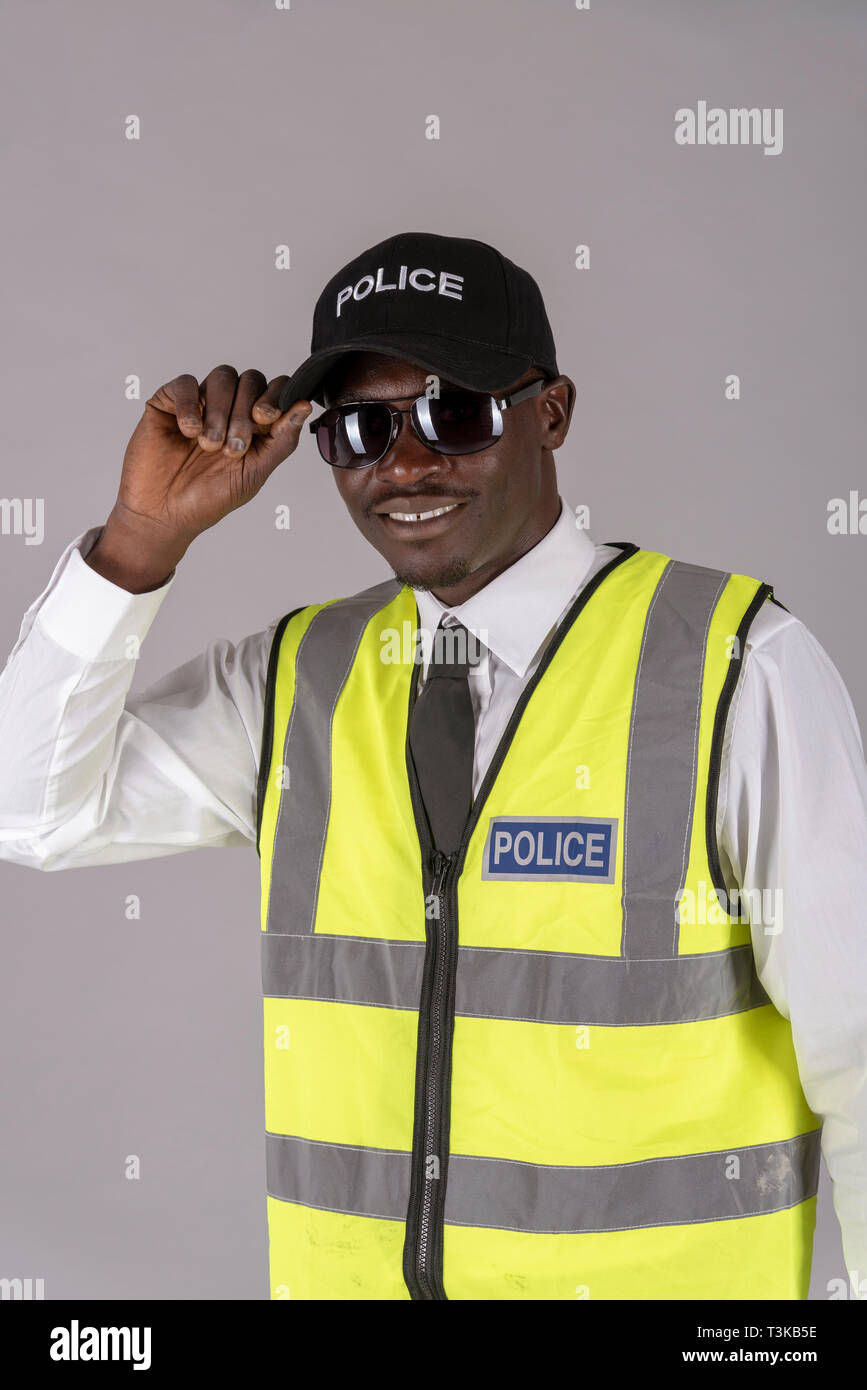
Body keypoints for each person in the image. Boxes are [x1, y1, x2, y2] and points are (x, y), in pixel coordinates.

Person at [1, 230, 865, 1301]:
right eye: (362, 427)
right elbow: (31, 810)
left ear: (551, 411)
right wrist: (138, 541)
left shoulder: (736, 667)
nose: (404, 463)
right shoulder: (295, 679)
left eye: (455, 413)